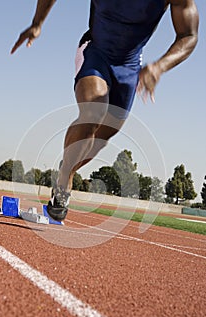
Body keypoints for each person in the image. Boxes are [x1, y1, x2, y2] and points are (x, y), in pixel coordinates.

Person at [11, 0, 199, 221]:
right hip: (96, 52)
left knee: (97, 141)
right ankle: (63, 182)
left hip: (129, 67)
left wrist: (160, 66)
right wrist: (37, 22)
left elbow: (188, 35)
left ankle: (68, 168)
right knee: (93, 112)